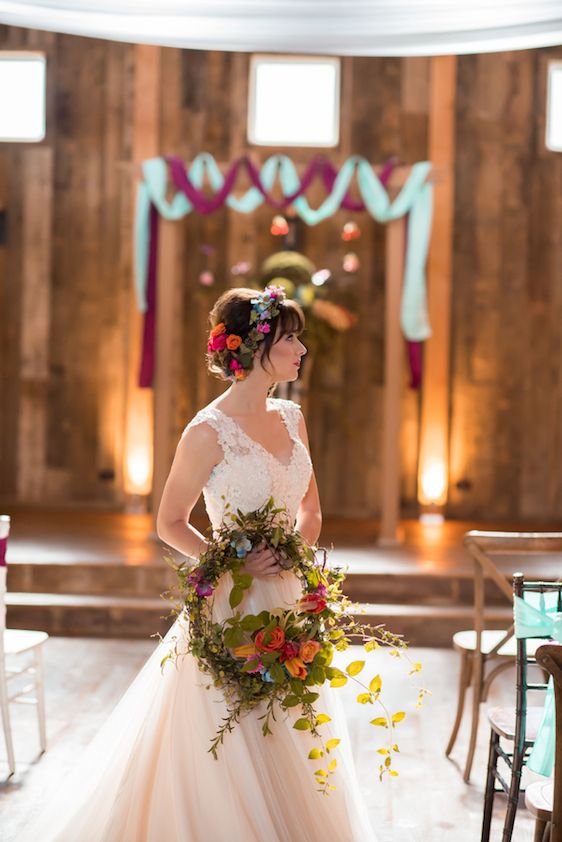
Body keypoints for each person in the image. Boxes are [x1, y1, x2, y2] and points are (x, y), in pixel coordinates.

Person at [21, 285, 377, 842]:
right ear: (258, 347)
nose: (302, 350)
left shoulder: (292, 417)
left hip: (291, 597)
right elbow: (169, 522)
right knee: (225, 735)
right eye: (291, 339)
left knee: (293, 725)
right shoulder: (207, 431)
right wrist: (233, 561)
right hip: (233, 604)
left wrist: (296, 555)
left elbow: (310, 508)